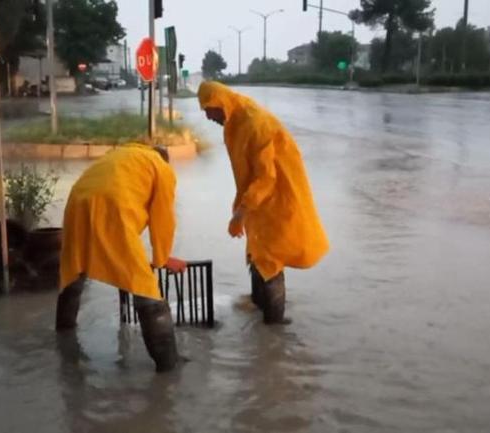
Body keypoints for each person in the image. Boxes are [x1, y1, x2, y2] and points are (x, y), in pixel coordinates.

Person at [197, 81, 329, 324]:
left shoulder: (256, 124)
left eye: (208, 110)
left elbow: (266, 177)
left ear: (220, 103)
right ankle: (260, 313)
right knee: (257, 254)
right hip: (259, 202)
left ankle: (274, 331)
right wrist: (243, 206)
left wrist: (242, 212)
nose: (207, 117)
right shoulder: (235, 122)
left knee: (270, 260)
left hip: (276, 200)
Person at [56, 143, 187, 372]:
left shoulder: (122, 155)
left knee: (74, 275)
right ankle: (169, 366)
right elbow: (163, 219)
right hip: (112, 207)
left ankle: (64, 341)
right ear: (164, 159)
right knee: (146, 290)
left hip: (77, 203)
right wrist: (163, 259)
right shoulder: (161, 168)